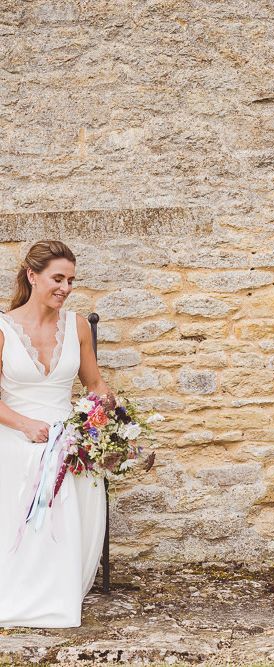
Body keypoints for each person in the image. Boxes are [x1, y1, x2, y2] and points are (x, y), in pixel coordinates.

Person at [0, 240, 111, 628]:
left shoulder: (77, 324)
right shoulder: (2, 329)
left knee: (69, 461)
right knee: (28, 460)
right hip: (16, 431)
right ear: (32, 276)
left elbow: (94, 383)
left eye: (71, 280)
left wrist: (111, 414)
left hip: (68, 435)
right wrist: (26, 425)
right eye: (57, 278)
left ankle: (58, 590)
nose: (65, 288)